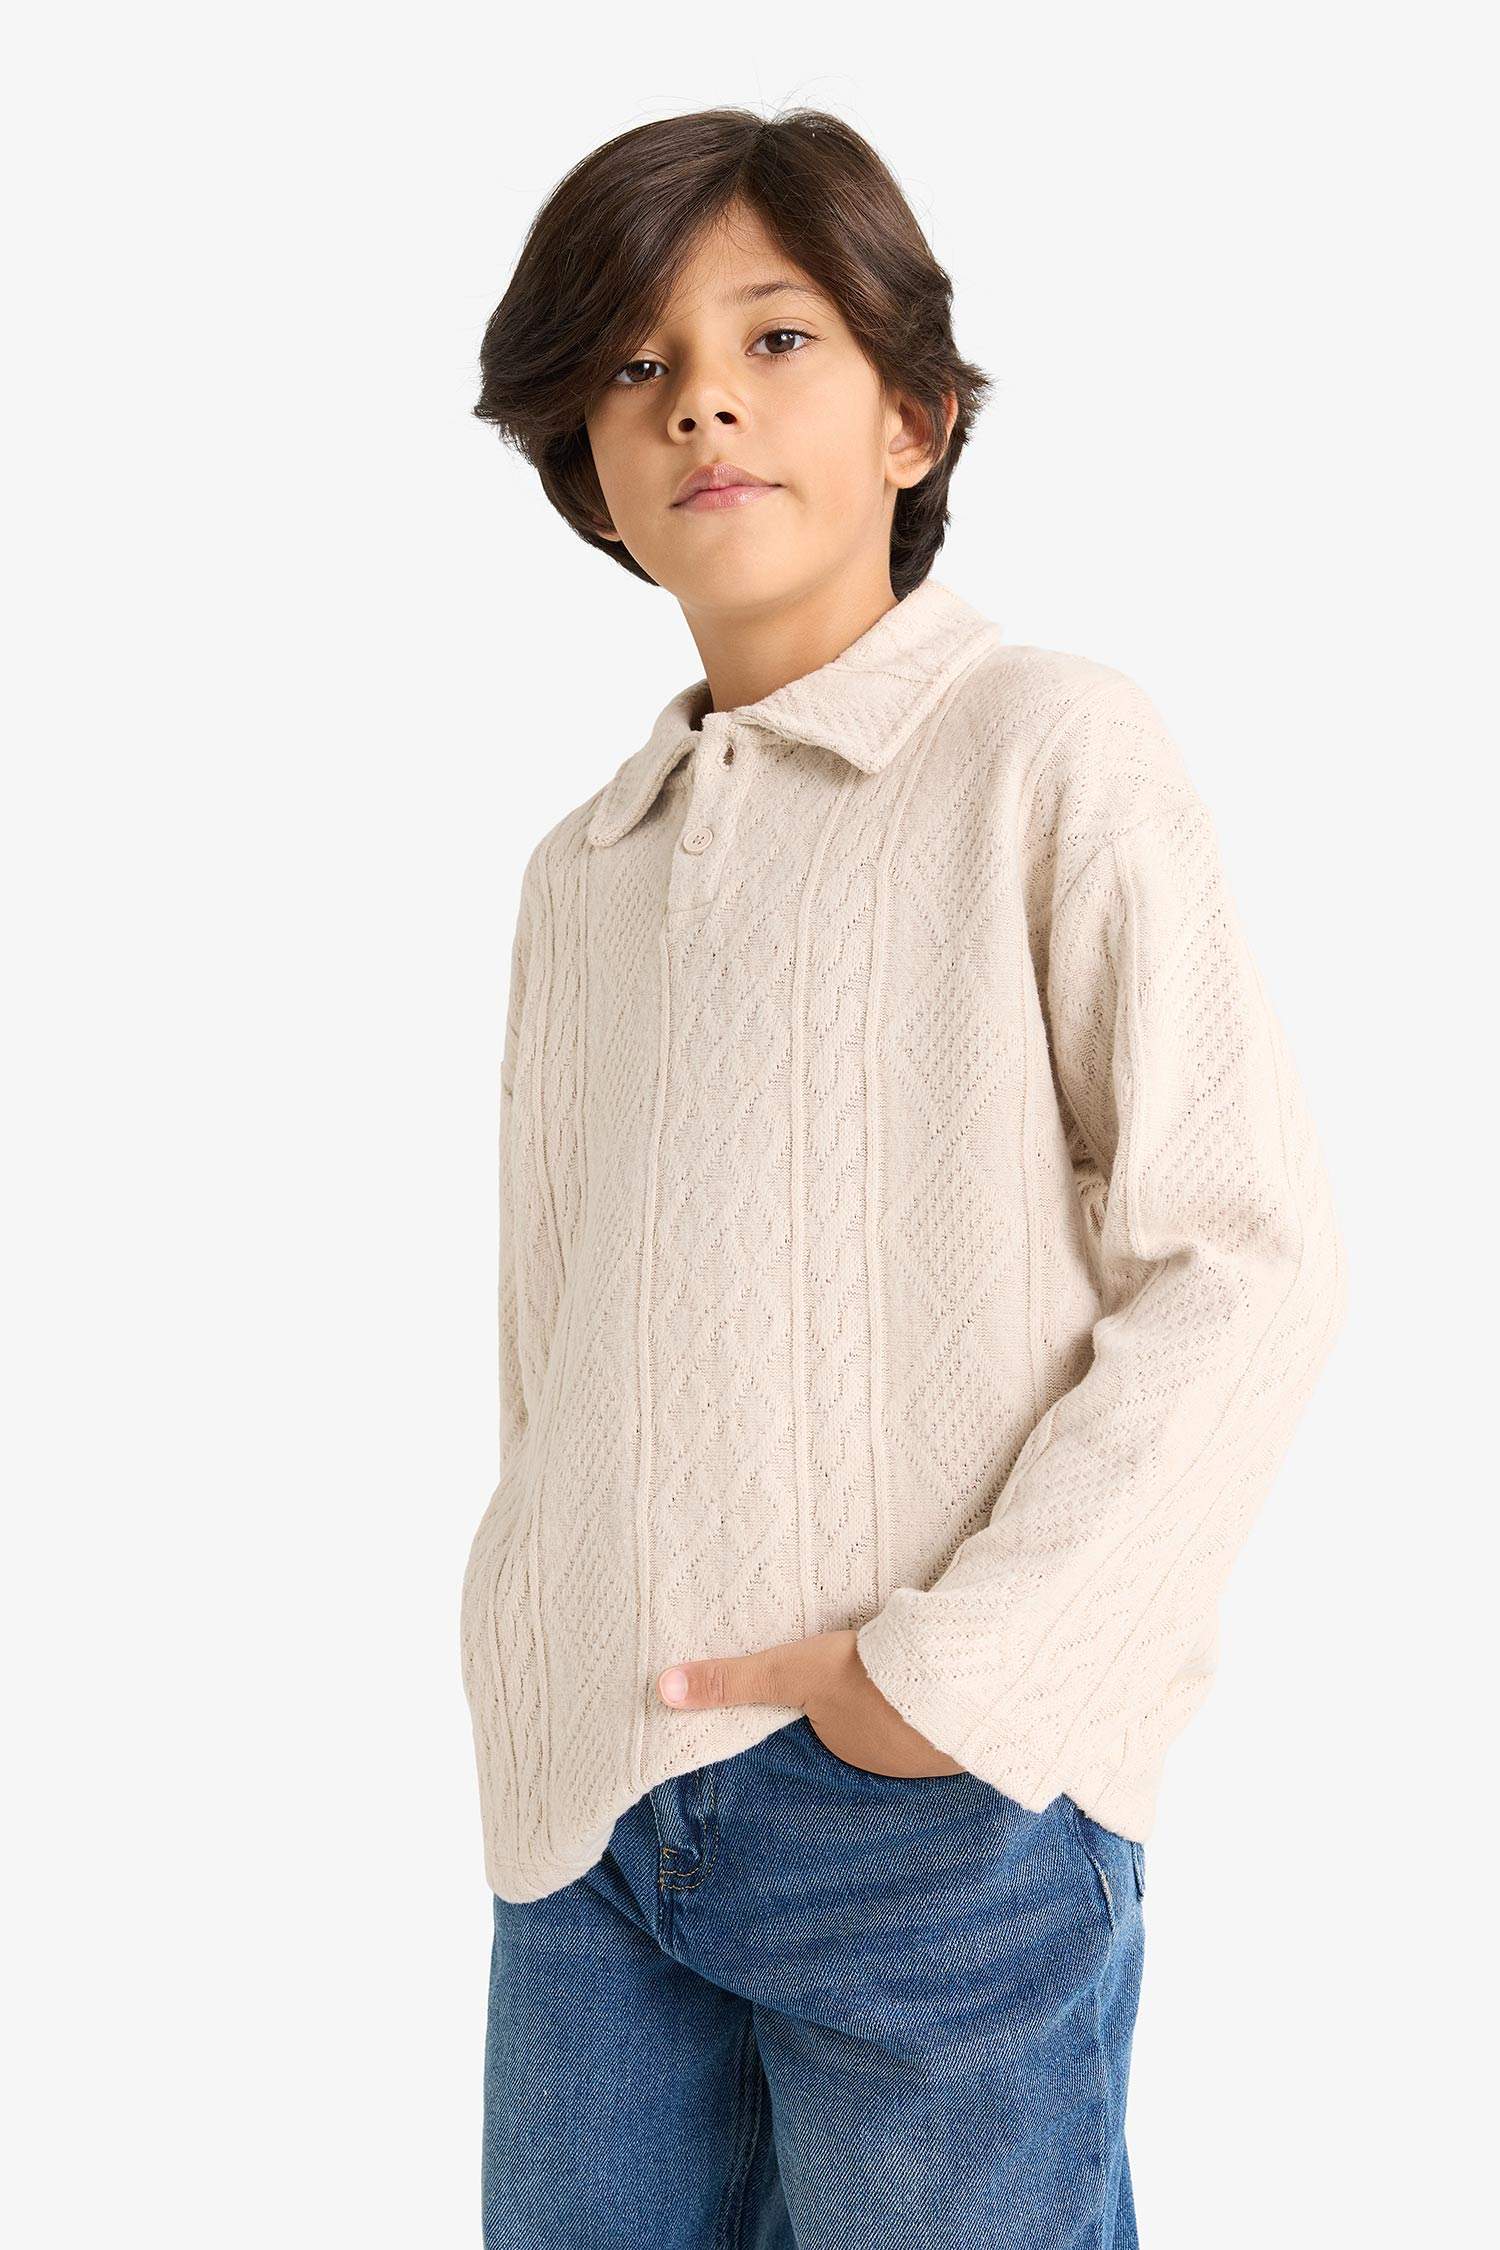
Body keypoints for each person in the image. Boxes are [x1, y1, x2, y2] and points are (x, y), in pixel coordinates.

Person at [459, 105, 1347, 2250]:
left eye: (774, 339)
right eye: (639, 366)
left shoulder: (1046, 747)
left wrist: (960, 1688)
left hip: (928, 1816)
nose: (703, 402)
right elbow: (557, 1331)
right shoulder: (588, 867)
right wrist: (532, 1650)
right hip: (587, 1828)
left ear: (916, 420)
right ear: (589, 467)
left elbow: (1246, 1260)